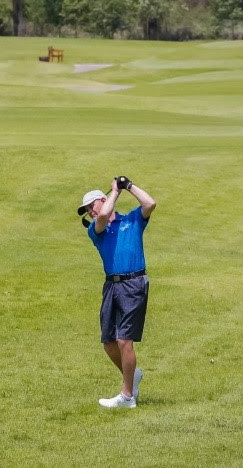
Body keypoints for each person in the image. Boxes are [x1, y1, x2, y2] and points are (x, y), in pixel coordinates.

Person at [77, 175, 157, 409]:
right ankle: (132, 376)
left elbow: (150, 203)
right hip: (111, 286)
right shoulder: (96, 229)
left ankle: (127, 397)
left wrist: (128, 186)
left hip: (134, 284)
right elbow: (103, 216)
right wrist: (116, 191)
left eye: (91, 206)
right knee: (109, 342)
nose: (90, 212)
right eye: (87, 210)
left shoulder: (132, 220)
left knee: (124, 341)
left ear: (102, 200)